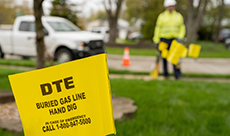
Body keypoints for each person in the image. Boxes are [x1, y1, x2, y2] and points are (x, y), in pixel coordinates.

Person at [153, 0, 186, 79]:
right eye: (169, 6)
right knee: (164, 58)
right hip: (164, 40)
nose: (170, 7)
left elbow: (182, 28)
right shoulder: (162, 16)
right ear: (166, 7)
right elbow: (157, 29)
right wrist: (156, 41)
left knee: (176, 58)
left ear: (174, 6)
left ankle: (177, 75)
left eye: (172, 6)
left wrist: (180, 37)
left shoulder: (178, 16)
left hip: (175, 40)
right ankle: (165, 74)